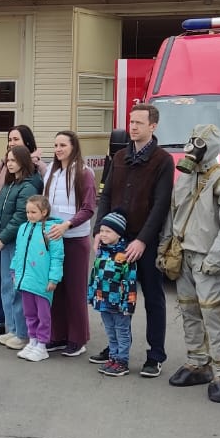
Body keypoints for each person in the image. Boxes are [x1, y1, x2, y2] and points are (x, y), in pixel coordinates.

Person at [159, 124, 220, 402]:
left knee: (215, 315)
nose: (191, 148)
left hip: (208, 257)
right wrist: (165, 246)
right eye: (190, 141)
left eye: (198, 143)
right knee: (188, 311)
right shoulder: (183, 176)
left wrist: (217, 256)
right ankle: (197, 361)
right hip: (183, 254)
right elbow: (174, 212)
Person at [91, 104, 174, 377]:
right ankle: (116, 350)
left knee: (153, 297)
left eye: (139, 122)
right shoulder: (119, 156)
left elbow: (161, 205)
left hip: (143, 241)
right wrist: (98, 232)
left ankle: (155, 355)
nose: (133, 126)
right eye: (131, 121)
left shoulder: (162, 160)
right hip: (114, 238)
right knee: (111, 297)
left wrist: (142, 241)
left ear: (153, 126)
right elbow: (105, 195)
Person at [43, 130, 98, 358]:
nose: (58, 149)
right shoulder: (51, 172)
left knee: (75, 291)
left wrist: (67, 225)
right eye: (55, 145)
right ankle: (57, 335)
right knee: (56, 288)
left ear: (74, 146)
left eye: (63, 145)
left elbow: (88, 208)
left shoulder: (84, 173)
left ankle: (77, 338)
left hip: (74, 239)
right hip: (53, 238)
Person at [0, 145, 45, 351]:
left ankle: (22, 333)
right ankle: (11, 328)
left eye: (13, 160)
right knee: (6, 285)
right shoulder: (10, 184)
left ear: (23, 160)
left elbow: (20, 216)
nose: (9, 164)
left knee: (17, 287)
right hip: (3, 242)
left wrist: (2, 237)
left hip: (16, 242)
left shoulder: (29, 186)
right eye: (7, 160)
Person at [11, 194, 64, 362]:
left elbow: (57, 257)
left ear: (44, 212)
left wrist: (54, 279)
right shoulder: (23, 228)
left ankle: (42, 344)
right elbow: (18, 252)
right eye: (27, 212)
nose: (29, 215)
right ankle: (32, 340)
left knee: (43, 315)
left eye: (33, 212)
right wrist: (14, 271)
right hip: (25, 280)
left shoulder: (52, 230)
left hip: (42, 282)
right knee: (30, 313)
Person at [88, 212, 138, 377]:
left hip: (120, 304)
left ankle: (122, 361)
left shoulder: (125, 256)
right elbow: (94, 275)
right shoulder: (101, 252)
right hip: (103, 300)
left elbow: (130, 282)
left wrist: (128, 305)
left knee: (122, 331)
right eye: (101, 230)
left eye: (108, 231)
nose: (103, 234)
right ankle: (113, 357)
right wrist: (91, 294)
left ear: (119, 233)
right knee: (110, 330)